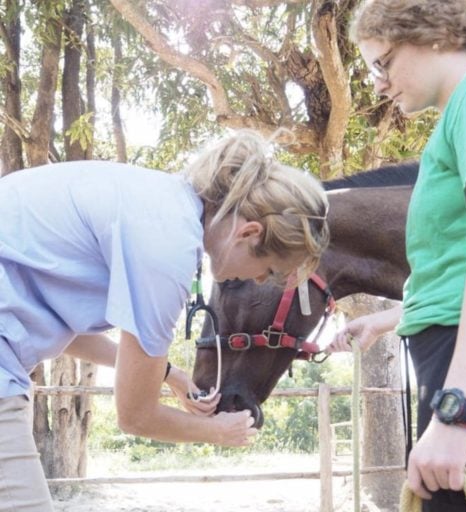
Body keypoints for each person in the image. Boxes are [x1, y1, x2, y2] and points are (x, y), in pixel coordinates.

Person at [0, 128, 330, 511]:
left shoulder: (157, 201)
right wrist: (217, 432)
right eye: (270, 270)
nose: (259, 280)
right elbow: (136, 417)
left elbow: (60, 325)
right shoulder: (169, 247)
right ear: (250, 232)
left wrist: (169, 374)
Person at [326, 1, 466, 511]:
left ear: (434, 34)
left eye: (381, 62)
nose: (378, 83)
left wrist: (458, 413)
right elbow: (464, 267)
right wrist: (387, 320)